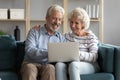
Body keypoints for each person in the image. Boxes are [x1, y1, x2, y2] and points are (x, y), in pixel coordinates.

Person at [20, 4, 65, 80]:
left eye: (60, 19)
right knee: (29, 68)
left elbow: (62, 55)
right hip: (31, 63)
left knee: (50, 68)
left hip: (48, 65)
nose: (57, 22)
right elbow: (29, 50)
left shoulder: (61, 37)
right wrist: (50, 52)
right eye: (54, 18)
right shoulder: (34, 31)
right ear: (47, 18)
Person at [55, 7, 100, 80]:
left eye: (76, 23)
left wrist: (76, 54)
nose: (72, 26)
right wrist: (40, 28)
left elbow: (94, 57)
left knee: (74, 65)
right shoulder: (66, 36)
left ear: (83, 24)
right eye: (71, 22)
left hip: (89, 65)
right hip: (70, 64)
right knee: (59, 65)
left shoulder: (91, 37)